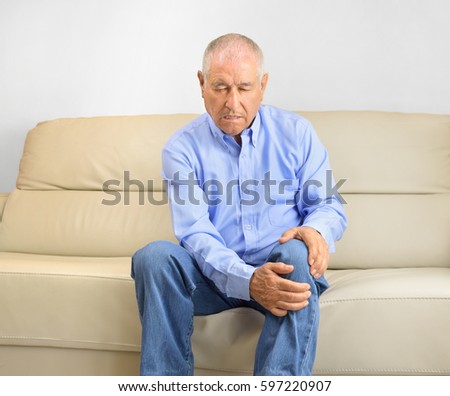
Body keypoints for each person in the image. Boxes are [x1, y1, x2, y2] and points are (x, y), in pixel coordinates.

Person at [131, 33, 347, 376]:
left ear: (263, 85)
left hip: (284, 271)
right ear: (201, 84)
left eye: (244, 88)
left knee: (294, 252)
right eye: (220, 87)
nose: (232, 102)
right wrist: (249, 280)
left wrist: (314, 230)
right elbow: (195, 233)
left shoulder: (296, 133)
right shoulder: (181, 149)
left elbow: (327, 204)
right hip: (213, 277)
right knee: (154, 257)